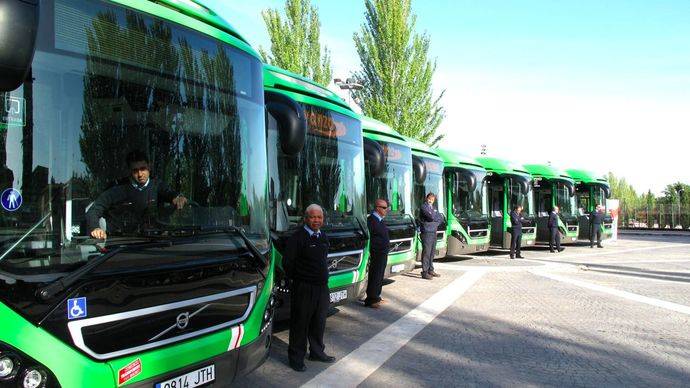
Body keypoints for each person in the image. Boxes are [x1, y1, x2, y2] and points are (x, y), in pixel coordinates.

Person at [86, 150, 187, 239]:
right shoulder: (117, 189)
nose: (140, 174)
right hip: (118, 245)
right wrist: (96, 228)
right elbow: (94, 210)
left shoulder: (157, 186)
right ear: (129, 171)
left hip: (153, 243)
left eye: (143, 169)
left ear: (149, 167)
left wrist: (179, 198)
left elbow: (171, 194)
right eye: (135, 170)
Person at [284, 204, 335, 372]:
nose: (316, 220)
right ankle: (296, 358)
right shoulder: (297, 237)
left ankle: (317, 352)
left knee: (318, 322)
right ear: (306, 218)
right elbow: (288, 263)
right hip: (304, 288)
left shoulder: (323, 236)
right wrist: (300, 278)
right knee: (300, 323)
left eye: (319, 217)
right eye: (313, 217)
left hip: (321, 287)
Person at [364, 198, 390, 308]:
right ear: (377, 208)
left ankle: (377, 296)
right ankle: (371, 299)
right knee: (375, 275)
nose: (386, 210)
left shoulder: (380, 220)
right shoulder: (371, 220)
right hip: (376, 253)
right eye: (384, 208)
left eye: (387, 207)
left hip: (383, 253)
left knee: (380, 276)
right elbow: (369, 238)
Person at [419, 192, 443, 279]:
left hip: (433, 232)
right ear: (426, 198)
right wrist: (434, 219)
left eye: (432, 200)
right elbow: (431, 217)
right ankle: (424, 272)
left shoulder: (434, 208)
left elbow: (440, 218)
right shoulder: (423, 207)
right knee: (426, 253)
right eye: (429, 199)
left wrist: (434, 223)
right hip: (426, 233)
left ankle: (430, 270)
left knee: (432, 252)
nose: (430, 201)